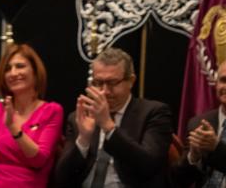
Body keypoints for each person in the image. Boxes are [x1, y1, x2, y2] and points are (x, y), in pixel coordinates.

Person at [54, 46, 173, 187]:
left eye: (112, 83)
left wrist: (108, 126)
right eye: (98, 83)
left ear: (131, 81)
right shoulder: (79, 117)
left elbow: (149, 166)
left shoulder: (154, 113)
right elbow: (62, 178)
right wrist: (84, 139)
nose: (104, 91)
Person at [0, 43, 63, 187]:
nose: (13, 73)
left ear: (35, 72)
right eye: (8, 69)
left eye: (20, 66)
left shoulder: (51, 111)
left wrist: (13, 128)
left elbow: (39, 160)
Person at [171, 59, 226, 187]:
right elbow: (179, 181)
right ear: (216, 84)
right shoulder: (198, 123)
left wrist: (216, 147)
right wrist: (194, 157)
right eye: (223, 80)